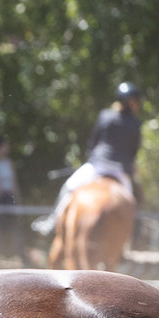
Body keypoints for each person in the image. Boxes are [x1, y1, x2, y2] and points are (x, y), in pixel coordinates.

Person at [39, 82, 143, 234]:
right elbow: (133, 152)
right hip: (120, 170)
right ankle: (134, 233)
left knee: (68, 187)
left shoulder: (105, 115)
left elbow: (92, 142)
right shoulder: (136, 123)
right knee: (131, 203)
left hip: (97, 165)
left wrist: (90, 157)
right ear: (131, 103)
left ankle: (52, 221)